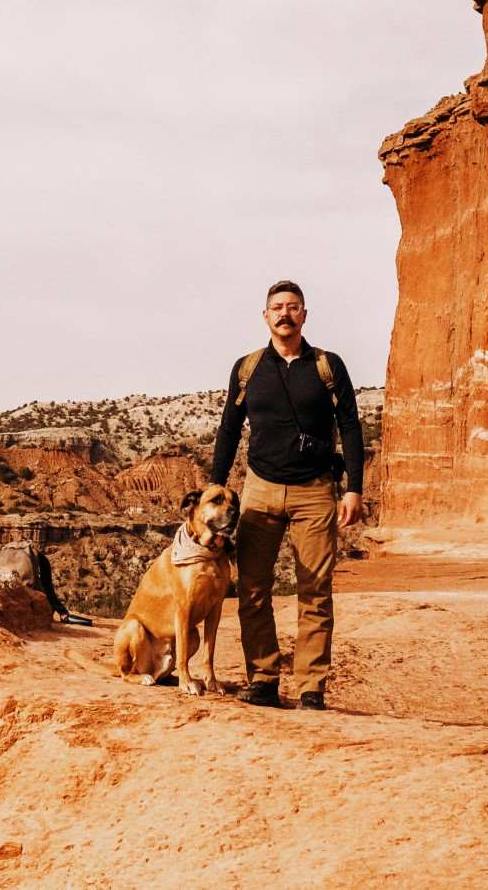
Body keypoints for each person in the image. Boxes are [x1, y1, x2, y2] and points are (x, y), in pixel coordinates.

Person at [209, 278, 365, 709]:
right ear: (265, 316)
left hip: (314, 492)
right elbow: (228, 428)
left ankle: (311, 687)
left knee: (314, 589)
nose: (284, 313)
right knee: (253, 589)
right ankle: (262, 679)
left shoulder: (327, 365)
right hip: (258, 489)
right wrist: (216, 482)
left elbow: (350, 425)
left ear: (304, 315)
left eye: (293, 307)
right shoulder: (248, 367)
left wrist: (354, 488)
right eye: (277, 307)